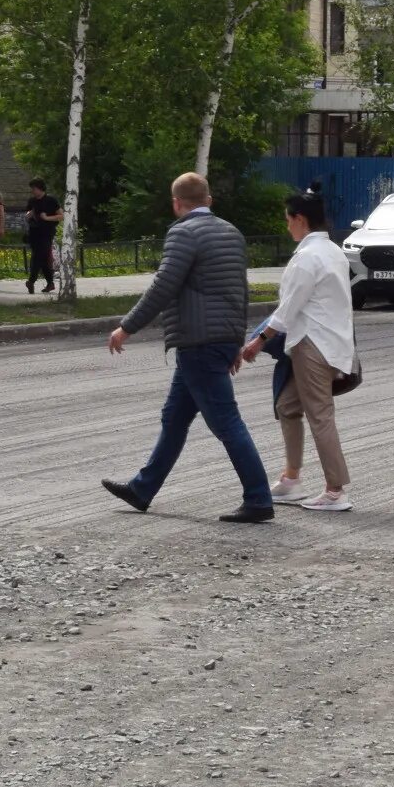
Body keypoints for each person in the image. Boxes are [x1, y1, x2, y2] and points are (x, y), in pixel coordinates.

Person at [101, 172, 273, 523]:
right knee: (175, 417)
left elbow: (163, 285)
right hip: (218, 339)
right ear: (208, 200)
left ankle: (258, 498)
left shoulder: (183, 233)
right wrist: (235, 340)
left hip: (198, 341)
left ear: (176, 203)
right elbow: (240, 291)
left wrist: (127, 327)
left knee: (226, 422)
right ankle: (142, 489)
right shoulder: (231, 232)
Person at [240, 188, 355, 512]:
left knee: (320, 415)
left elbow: (288, 310)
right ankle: (291, 480)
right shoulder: (333, 251)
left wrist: (258, 340)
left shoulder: (307, 258)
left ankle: (335, 491)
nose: (287, 226)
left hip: (312, 345)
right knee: (287, 405)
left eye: (288, 220)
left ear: (300, 219)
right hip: (329, 342)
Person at [23, 177, 61, 295]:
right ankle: (50, 283)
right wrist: (29, 214)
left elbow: (61, 216)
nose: (32, 191)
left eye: (34, 188)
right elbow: (27, 214)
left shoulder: (51, 200)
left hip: (47, 233)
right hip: (34, 232)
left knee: (37, 257)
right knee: (43, 259)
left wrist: (47, 218)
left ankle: (31, 281)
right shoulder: (32, 201)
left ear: (40, 188)